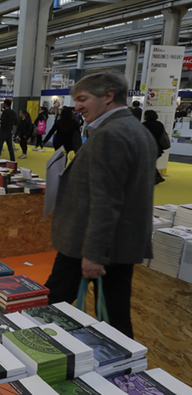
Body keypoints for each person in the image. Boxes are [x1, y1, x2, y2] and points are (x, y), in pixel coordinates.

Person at [45, 71, 156, 338]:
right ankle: (124, 372)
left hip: (88, 244)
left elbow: (108, 201)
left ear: (108, 96)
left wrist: (94, 254)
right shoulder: (136, 130)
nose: (77, 106)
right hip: (118, 244)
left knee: (48, 308)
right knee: (115, 318)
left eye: (83, 98)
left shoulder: (110, 134)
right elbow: (122, 187)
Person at [142, 109, 170, 184]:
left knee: (147, 163)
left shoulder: (144, 125)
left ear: (146, 116)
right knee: (149, 163)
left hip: (147, 147)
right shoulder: (159, 124)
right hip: (158, 148)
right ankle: (156, 177)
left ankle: (157, 177)